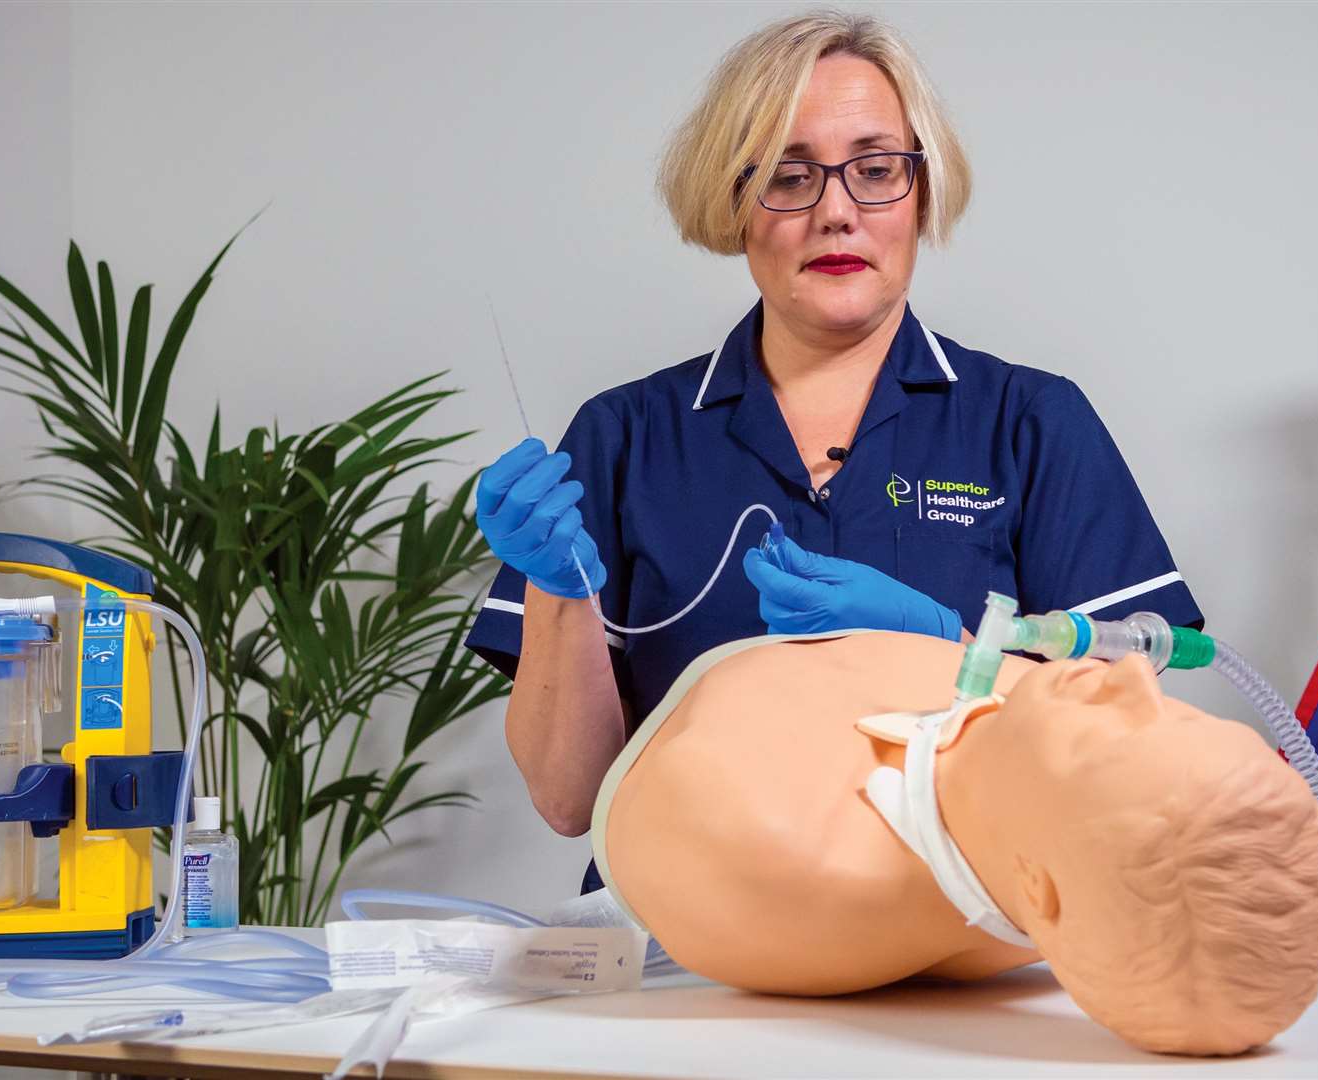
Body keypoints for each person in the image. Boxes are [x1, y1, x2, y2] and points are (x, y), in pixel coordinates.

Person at [465, 13, 1202, 887]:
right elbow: (569, 799)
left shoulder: (1031, 422)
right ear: (733, 204)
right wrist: (558, 590)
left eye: (877, 169)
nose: (837, 211)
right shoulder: (625, 436)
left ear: (921, 194)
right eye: (789, 175)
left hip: (957, 950)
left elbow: (1120, 746)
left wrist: (946, 647)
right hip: (683, 959)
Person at [593, 630, 1318, 1056]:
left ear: (1037, 890)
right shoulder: (1044, 757)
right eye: (1183, 715)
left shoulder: (752, 833)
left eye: (1106, 744)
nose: (1135, 677)